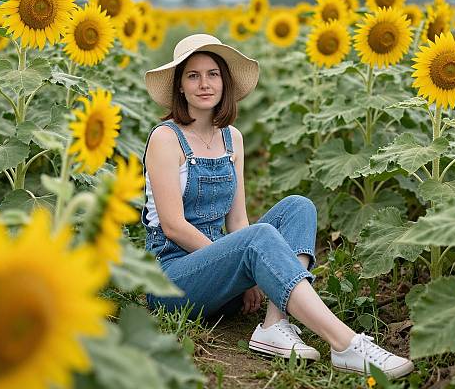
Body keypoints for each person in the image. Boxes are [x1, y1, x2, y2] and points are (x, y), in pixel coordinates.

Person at [141, 33, 414, 379]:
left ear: (224, 82)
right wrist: (240, 263)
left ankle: (274, 323)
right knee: (258, 239)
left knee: (299, 206)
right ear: (180, 86)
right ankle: (346, 344)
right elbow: (173, 227)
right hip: (174, 280)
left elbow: (237, 219)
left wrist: (241, 264)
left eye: (213, 74)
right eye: (193, 75)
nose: (204, 84)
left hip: (219, 277)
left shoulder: (232, 138)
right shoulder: (165, 138)